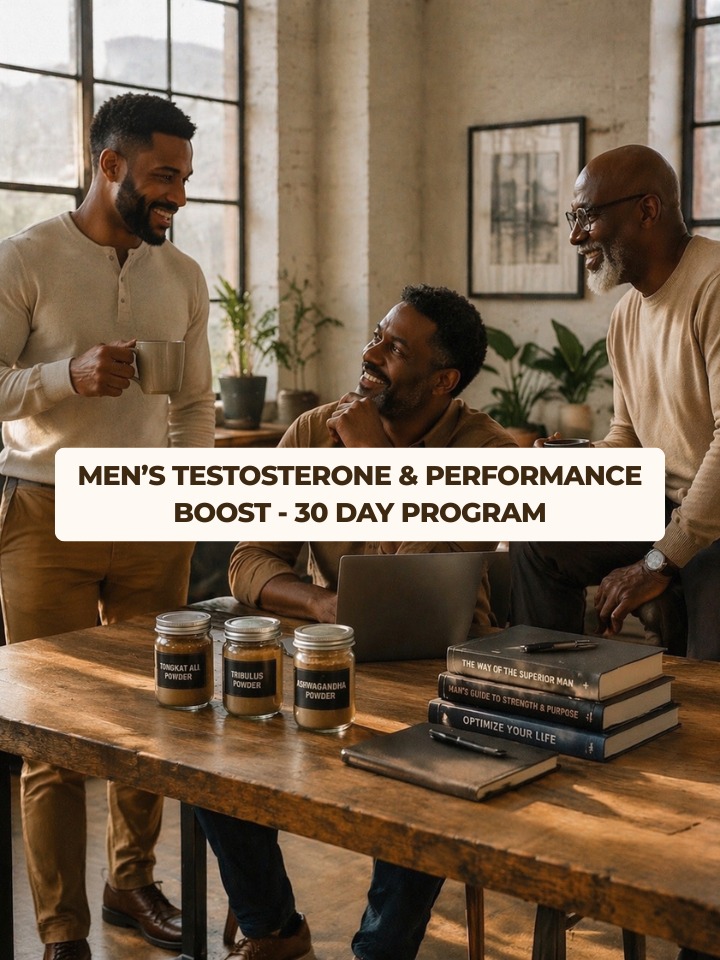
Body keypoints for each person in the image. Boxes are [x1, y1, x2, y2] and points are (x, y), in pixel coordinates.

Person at [194, 283, 516, 960]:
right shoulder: (313, 432)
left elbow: (422, 563)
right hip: (335, 657)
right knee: (205, 755)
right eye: (376, 334)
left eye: (395, 349)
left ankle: (379, 951)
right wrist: (318, 605)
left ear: (443, 380)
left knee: (423, 786)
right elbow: (249, 558)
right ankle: (274, 931)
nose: (370, 353)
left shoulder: (485, 449)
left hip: (443, 674)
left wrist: (377, 463)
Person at [0, 93, 215, 960]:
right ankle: (61, 934)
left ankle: (131, 884)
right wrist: (63, 377)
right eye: (165, 176)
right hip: (43, 513)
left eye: (187, 179)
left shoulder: (184, 277)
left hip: (148, 512)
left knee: (152, 717)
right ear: (110, 165)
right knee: (54, 735)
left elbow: (195, 404)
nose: (179, 196)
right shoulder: (25, 260)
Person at [508, 144, 720, 960]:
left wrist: (659, 562)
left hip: (713, 520)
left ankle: (700, 899)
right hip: (661, 504)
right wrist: (562, 473)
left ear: (647, 210)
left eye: (585, 216)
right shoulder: (630, 309)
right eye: (573, 217)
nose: (575, 236)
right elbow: (630, 442)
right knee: (539, 540)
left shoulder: (713, 286)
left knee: (707, 697)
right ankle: (553, 728)